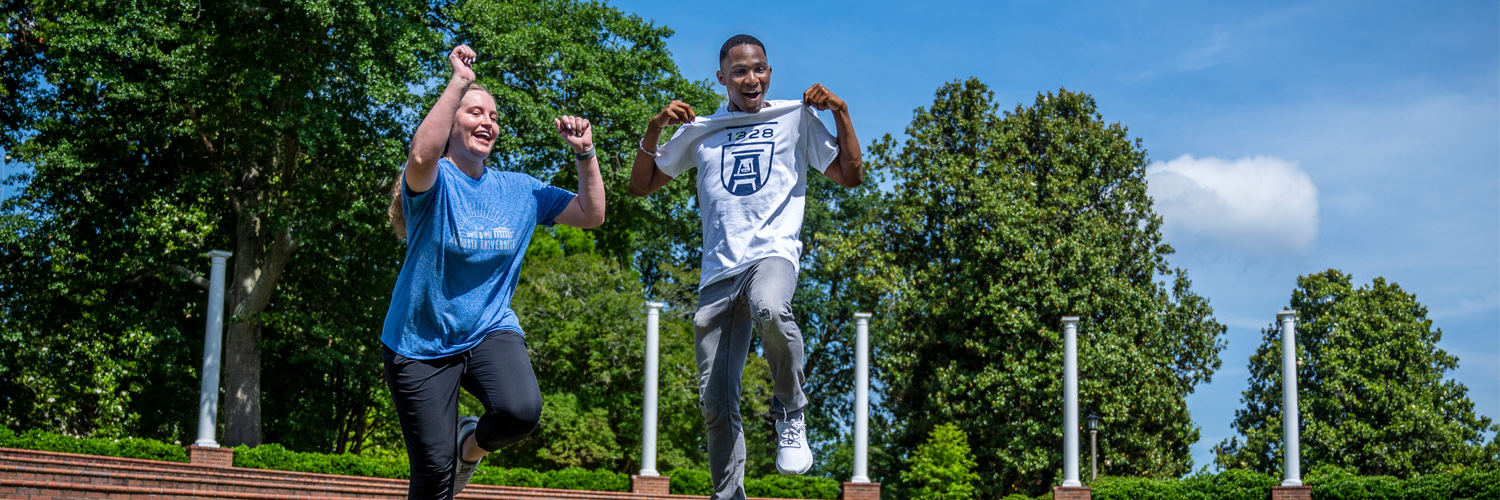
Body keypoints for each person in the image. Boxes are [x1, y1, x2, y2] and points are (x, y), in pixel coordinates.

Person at [628, 34, 862, 500]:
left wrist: (840, 110)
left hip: (772, 254)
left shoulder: (795, 118)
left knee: (771, 307)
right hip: (718, 272)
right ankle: (729, 495)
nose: (750, 78)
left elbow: (851, 176)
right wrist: (655, 127)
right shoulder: (701, 128)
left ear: (769, 73)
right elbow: (642, 185)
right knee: (715, 402)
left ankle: (791, 408)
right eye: (739, 71)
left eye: (758, 69)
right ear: (723, 78)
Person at [382, 44, 605, 500]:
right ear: (451, 123)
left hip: (488, 328)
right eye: (474, 112)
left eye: (494, 115)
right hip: (418, 343)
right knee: (432, 474)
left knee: (521, 411)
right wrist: (459, 81)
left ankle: (471, 446)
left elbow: (590, 213)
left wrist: (586, 153)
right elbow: (421, 158)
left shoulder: (520, 190)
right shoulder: (434, 184)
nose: (487, 121)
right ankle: (451, 459)